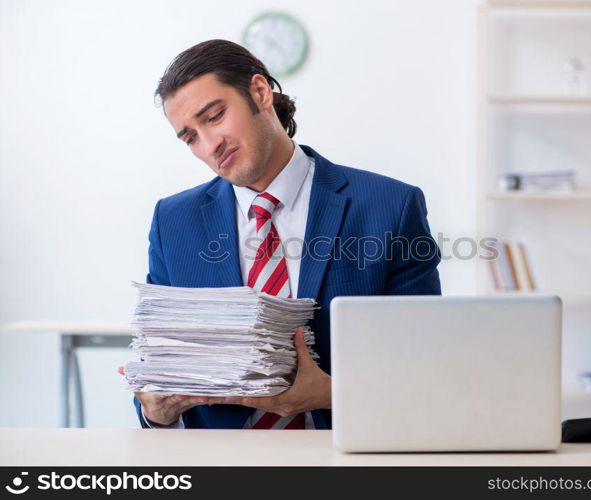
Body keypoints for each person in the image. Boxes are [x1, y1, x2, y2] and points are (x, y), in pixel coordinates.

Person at [130, 39, 441, 430]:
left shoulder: (389, 206)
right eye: (190, 137)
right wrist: (156, 412)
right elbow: (160, 368)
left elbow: (425, 370)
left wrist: (333, 392)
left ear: (260, 92)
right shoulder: (174, 221)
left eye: (214, 117)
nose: (210, 145)